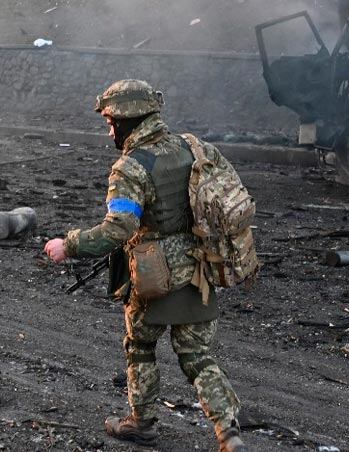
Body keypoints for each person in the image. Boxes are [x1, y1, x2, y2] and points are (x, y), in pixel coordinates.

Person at [44, 79, 247, 452]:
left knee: (139, 347)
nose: (109, 131)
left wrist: (69, 245)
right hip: (199, 267)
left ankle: (140, 423)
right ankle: (229, 433)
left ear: (128, 121)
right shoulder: (191, 146)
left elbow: (119, 229)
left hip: (152, 277)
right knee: (198, 357)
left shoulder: (131, 168)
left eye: (111, 123)